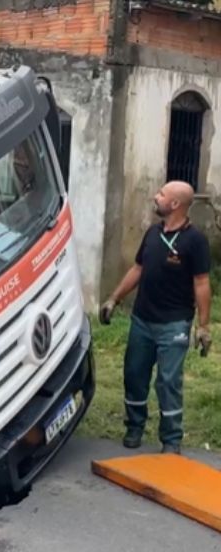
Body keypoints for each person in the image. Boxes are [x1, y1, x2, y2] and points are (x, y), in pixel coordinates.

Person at [99, 181, 212, 454]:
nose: (155, 196)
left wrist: (204, 326)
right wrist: (114, 299)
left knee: (168, 381)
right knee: (134, 374)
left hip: (174, 323)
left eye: (161, 194)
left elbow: (202, 283)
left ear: (175, 204)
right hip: (142, 321)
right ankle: (134, 427)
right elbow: (138, 269)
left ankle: (171, 440)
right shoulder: (152, 233)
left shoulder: (195, 241)